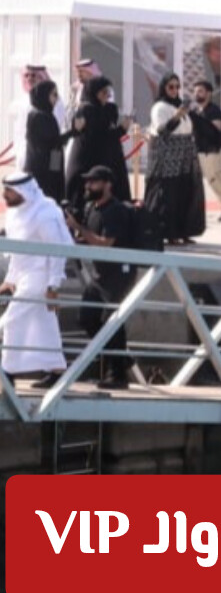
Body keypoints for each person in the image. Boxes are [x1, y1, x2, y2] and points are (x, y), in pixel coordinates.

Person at [67, 165, 139, 386]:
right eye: (87, 182)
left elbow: (105, 243)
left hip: (119, 273)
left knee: (111, 320)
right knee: (86, 318)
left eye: (94, 181)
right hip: (100, 274)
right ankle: (119, 359)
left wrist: (78, 227)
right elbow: (89, 238)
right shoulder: (91, 207)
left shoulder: (116, 210)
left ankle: (117, 374)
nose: (88, 186)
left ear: (108, 185)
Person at [1, 173, 71, 386]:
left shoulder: (44, 213)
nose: (5, 195)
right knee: (45, 324)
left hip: (41, 277)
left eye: (9, 191)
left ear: (23, 191)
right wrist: (10, 279)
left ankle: (7, 374)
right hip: (25, 277)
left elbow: (57, 251)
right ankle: (57, 370)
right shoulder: (16, 214)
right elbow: (18, 251)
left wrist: (53, 286)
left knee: (12, 321)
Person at [142, 73, 206, 245]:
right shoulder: (159, 108)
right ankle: (168, 233)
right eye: (171, 87)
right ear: (164, 88)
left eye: (177, 87)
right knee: (168, 195)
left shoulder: (180, 106)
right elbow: (162, 130)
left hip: (185, 155)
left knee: (185, 192)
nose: (174, 90)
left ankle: (183, 231)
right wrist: (177, 116)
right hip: (167, 158)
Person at [66, 75, 132, 205]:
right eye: (103, 92)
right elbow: (99, 137)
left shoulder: (109, 109)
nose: (107, 95)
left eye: (108, 92)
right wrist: (121, 130)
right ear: (94, 92)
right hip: (87, 163)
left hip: (107, 161)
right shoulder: (86, 110)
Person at [188, 80, 221, 222]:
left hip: (214, 151)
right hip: (201, 151)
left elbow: (215, 130)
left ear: (209, 94)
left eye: (200, 91)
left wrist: (198, 121)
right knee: (211, 180)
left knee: (218, 179)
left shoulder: (214, 111)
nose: (197, 94)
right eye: (195, 91)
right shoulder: (196, 111)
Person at [23, 81, 71, 207]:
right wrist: (72, 132)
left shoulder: (47, 115)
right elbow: (52, 142)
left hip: (50, 165)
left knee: (53, 196)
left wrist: (56, 171)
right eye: (54, 95)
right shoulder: (39, 116)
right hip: (42, 168)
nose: (56, 99)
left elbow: (55, 145)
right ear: (44, 95)